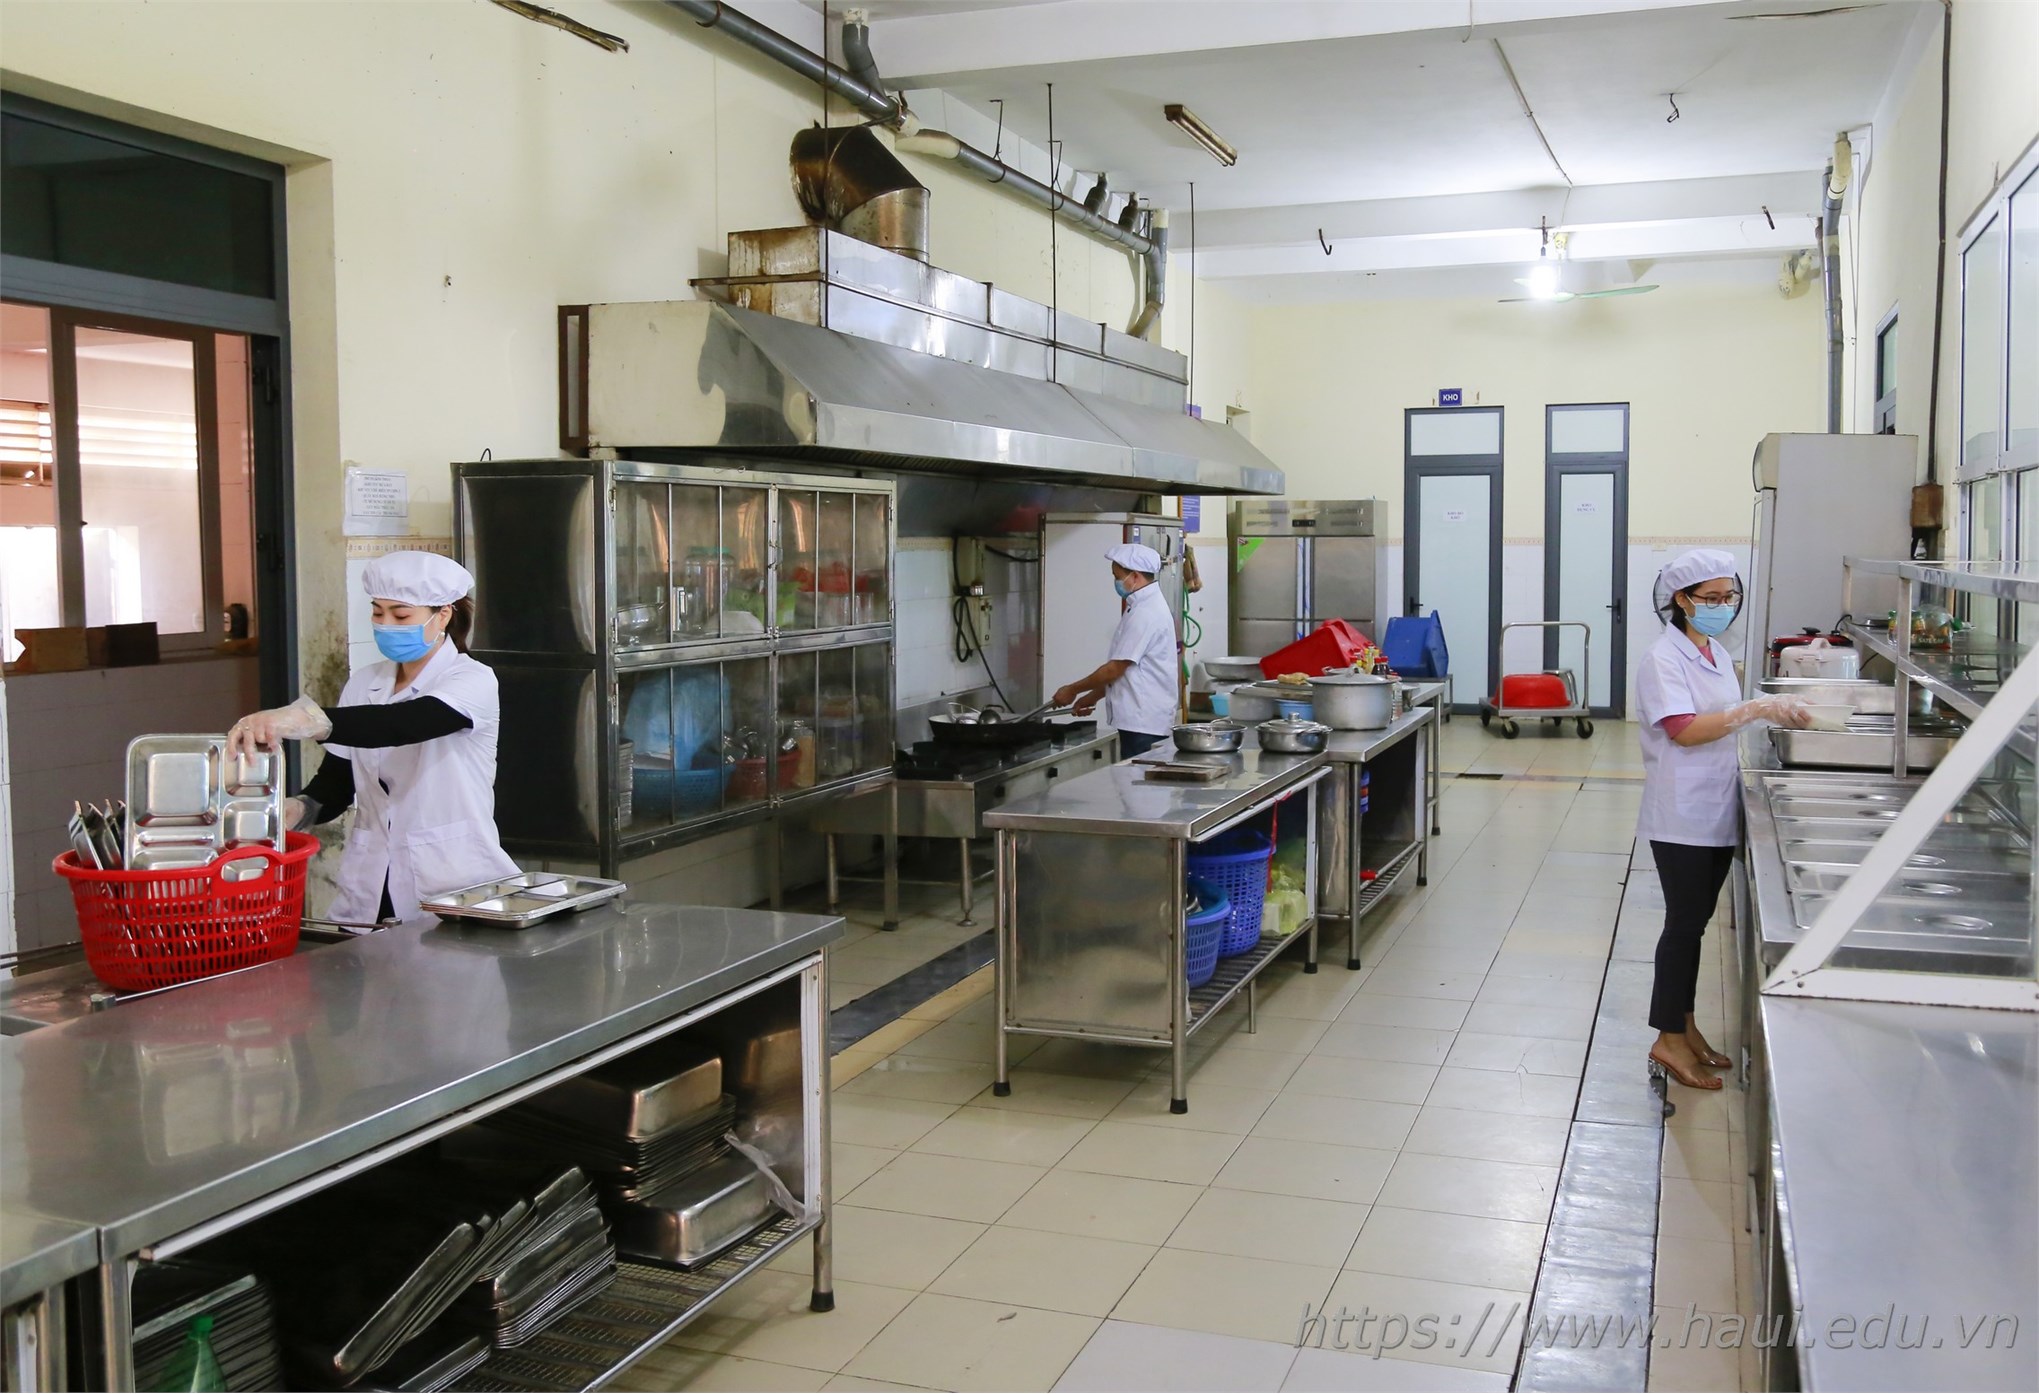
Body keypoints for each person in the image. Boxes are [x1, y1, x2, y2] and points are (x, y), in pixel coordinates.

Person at [227, 551, 520, 923]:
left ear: (443, 615)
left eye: (401, 615)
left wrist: (306, 720)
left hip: (451, 877)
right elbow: (338, 781)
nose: (386, 624)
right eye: (378, 612)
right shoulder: (365, 683)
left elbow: (403, 724)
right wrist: (301, 808)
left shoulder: (471, 680)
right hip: (370, 880)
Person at [1635, 548, 1809, 1091]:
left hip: (1713, 805)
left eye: (1728, 596)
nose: (1722, 606)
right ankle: (1667, 1039)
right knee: (1683, 926)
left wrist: (1771, 706)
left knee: (1695, 925)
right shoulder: (1662, 659)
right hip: (1682, 812)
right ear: (1682, 600)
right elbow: (1685, 730)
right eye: (1710, 598)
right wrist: (1755, 709)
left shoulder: (1710, 651)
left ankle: (1685, 1026)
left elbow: (1720, 714)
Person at [1051, 542, 1178, 760]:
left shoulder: (1145, 613)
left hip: (1142, 724)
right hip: (1142, 721)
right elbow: (1128, 671)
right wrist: (1092, 696)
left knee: (1138, 780)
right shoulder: (1142, 606)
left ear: (1135, 576)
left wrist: (1072, 689)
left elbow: (1115, 669)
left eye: (1117, 576)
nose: (1116, 582)